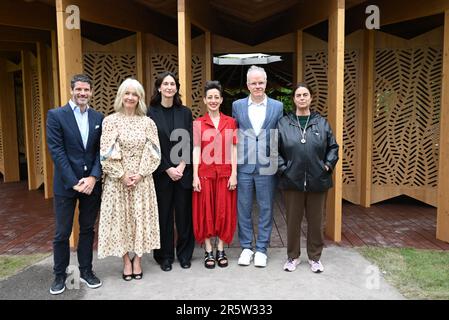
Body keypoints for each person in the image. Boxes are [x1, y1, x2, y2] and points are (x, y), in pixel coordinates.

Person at [97, 78, 161, 281]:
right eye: (127, 93)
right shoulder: (110, 121)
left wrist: (140, 174)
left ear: (140, 98)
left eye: (135, 94)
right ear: (121, 96)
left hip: (142, 180)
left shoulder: (147, 122)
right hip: (118, 181)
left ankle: (138, 260)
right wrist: (122, 175)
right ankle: (126, 261)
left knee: (140, 220)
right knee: (120, 222)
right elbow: (105, 153)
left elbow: (154, 152)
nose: (131, 97)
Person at [46, 74, 103, 295]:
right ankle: (60, 275)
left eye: (86, 90)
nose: (82, 93)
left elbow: (101, 151)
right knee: (62, 232)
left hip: (91, 185)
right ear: (72, 90)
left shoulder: (98, 117)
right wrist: (74, 182)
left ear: (90, 92)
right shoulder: (56, 115)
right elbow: (57, 151)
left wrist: (93, 178)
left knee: (88, 229)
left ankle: (86, 271)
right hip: (66, 185)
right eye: (78, 89)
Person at [277, 82, 339, 273]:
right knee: (293, 221)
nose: (302, 98)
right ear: (293, 99)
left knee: (316, 221)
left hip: (318, 180)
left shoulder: (321, 122)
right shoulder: (283, 123)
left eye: (305, 95)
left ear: (311, 98)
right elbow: (273, 150)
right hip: (292, 180)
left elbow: (333, 147)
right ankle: (292, 257)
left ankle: (315, 258)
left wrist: (327, 166)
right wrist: (284, 169)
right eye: (298, 95)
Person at [232, 65, 283, 267]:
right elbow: (234, 134)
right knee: (243, 208)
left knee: (266, 207)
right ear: (247, 85)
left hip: (267, 165)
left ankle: (261, 248)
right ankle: (246, 247)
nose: (258, 86)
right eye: (254, 83)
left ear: (266, 83)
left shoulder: (277, 107)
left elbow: (280, 136)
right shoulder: (237, 105)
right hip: (243, 164)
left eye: (261, 82)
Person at [147, 71, 195, 271]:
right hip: (161, 174)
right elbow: (150, 145)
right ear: (159, 87)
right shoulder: (150, 113)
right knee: (164, 216)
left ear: (176, 88)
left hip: (183, 173)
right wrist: (167, 168)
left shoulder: (184, 112)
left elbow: (188, 141)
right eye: (165, 84)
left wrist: (181, 166)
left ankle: (184, 255)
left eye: (172, 84)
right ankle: (164, 256)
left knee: (184, 216)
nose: (169, 87)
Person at [192, 81, 238, 269]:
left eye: (216, 97)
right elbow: (196, 149)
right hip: (204, 174)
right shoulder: (198, 123)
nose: (213, 100)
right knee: (206, 212)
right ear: (204, 100)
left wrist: (234, 174)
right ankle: (208, 250)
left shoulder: (230, 122)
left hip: (225, 174)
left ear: (221, 100)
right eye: (209, 97)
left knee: (223, 212)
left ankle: (221, 249)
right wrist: (194, 175)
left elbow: (234, 149)